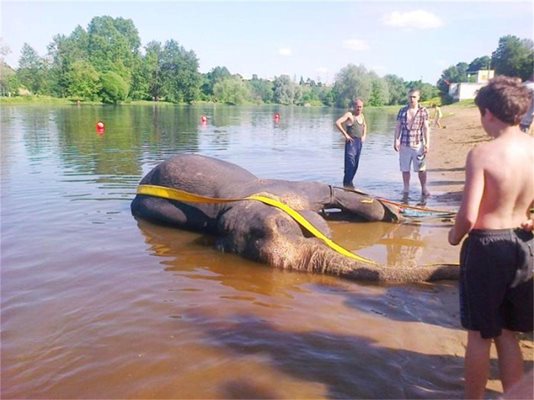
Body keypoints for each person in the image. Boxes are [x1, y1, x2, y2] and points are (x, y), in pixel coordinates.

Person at [448, 76, 534, 399]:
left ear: (488, 114)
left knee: (480, 335)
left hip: (487, 249)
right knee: (509, 333)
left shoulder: (482, 154)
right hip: (524, 247)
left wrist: (454, 236)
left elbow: (468, 216)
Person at [393, 89, 430, 197]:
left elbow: (426, 128)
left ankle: (424, 188)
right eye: (410, 97)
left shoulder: (423, 111)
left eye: (414, 97)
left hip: (418, 144)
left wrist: (427, 143)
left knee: (421, 169)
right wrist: (396, 140)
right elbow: (398, 126)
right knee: (405, 169)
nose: (411, 99)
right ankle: (406, 189)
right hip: (404, 144)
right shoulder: (402, 111)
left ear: (418, 98)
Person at [335, 98, 367, 188]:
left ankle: (349, 185)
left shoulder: (362, 116)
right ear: (354, 106)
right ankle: (346, 185)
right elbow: (337, 123)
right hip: (351, 143)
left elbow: (365, 126)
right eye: (358, 107)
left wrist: (364, 135)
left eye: (361, 107)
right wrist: (346, 135)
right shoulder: (349, 115)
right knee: (350, 165)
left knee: (355, 166)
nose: (359, 109)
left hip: (359, 143)